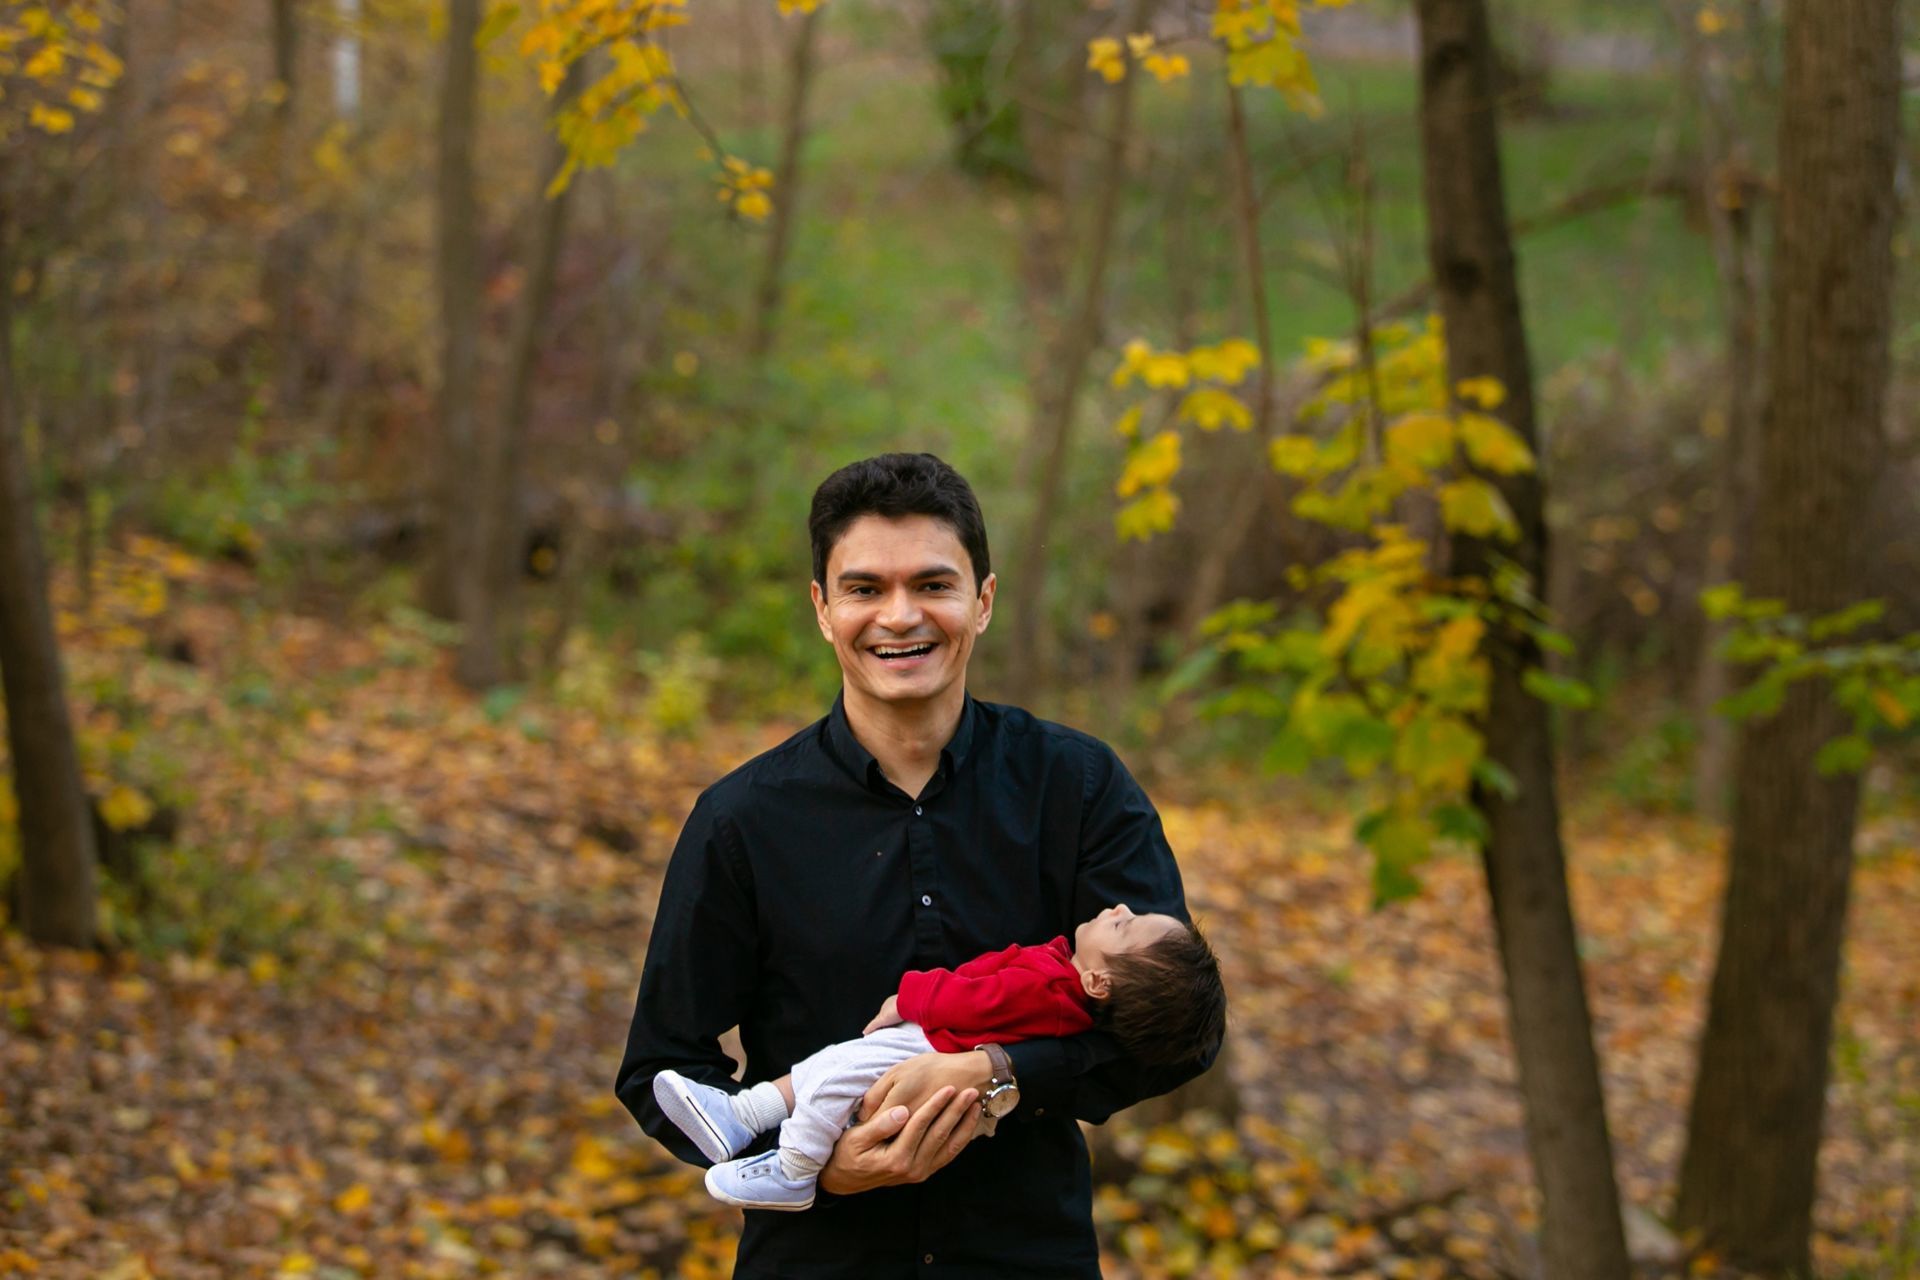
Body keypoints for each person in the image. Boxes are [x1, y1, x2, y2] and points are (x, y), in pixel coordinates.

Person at [615, 452, 1215, 1277]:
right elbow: (661, 1069)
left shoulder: (1077, 787)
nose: (900, 617)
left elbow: (1174, 1028)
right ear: (823, 611)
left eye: (933, 585)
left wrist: (1000, 1073)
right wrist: (822, 1169)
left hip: (1026, 1259)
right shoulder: (742, 820)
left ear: (985, 600)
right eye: (865, 588)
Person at [654, 904, 1226, 1212]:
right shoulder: (1059, 976)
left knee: (834, 1081)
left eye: (1123, 924)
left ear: (1100, 981)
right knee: (828, 1065)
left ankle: (795, 1170)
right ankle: (743, 1114)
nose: (1118, 905)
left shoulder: (1051, 991)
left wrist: (911, 994)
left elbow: (976, 997)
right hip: (933, 1043)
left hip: (933, 1045)